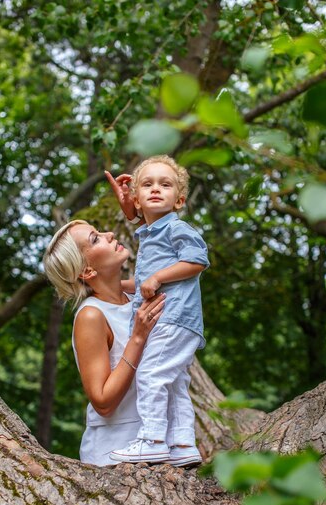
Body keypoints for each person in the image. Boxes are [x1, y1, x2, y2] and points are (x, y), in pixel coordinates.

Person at [106, 155, 209, 466]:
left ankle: (151, 439)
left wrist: (159, 277)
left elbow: (197, 261)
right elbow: (139, 283)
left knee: (150, 374)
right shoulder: (150, 234)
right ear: (137, 199)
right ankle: (182, 444)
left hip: (174, 317)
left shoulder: (176, 228)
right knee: (175, 382)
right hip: (169, 320)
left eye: (165, 185)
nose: (155, 189)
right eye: (147, 185)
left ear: (178, 200)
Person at [43, 219, 165, 466]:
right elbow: (103, 402)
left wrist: (137, 210)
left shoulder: (135, 298)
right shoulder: (91, 315)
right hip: (115, 456)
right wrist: (137, 338)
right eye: (95, 239)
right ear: (87, 271)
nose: (110, 234)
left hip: (158, 443)